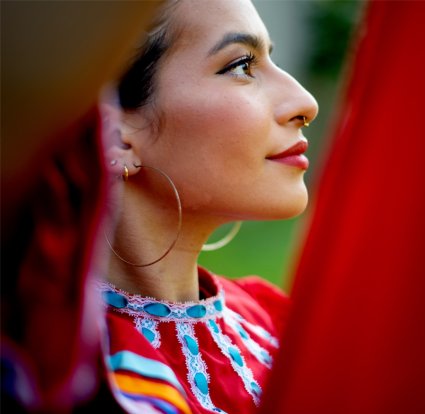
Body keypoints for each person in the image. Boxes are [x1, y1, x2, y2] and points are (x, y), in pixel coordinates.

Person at [96, 0, 318, 413]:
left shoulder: (278, 326)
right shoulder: (63, 375)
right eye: (241, 66)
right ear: (117, 134)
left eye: (271, 59)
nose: (305, 103)